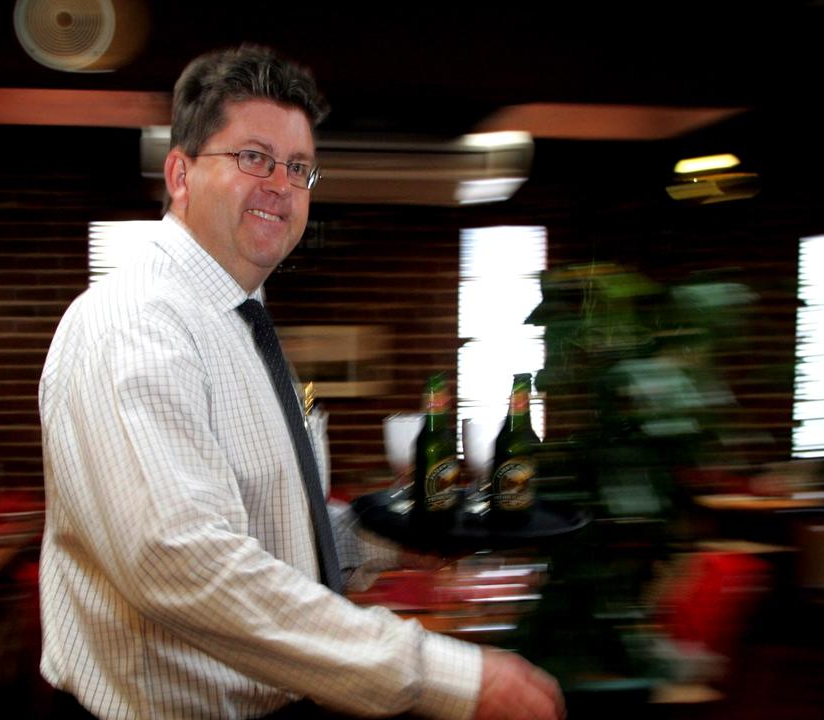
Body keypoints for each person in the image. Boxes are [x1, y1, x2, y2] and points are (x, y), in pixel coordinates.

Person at [37, 44, 565, 720]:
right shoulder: (134, 321)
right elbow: (182, 562)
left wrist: (401, 532)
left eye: (299, 168)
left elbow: (276, 529)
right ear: (180, 173)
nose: (280, 185)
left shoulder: (239, 321)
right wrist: (445, 676)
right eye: (253, 157)